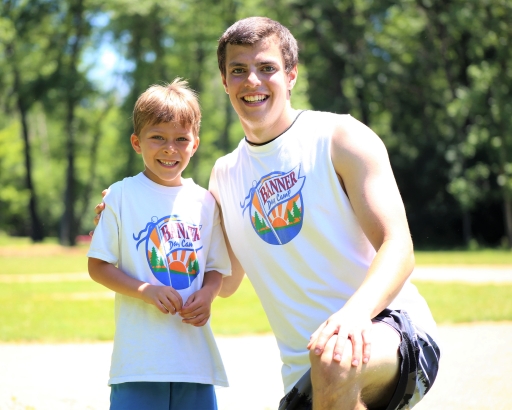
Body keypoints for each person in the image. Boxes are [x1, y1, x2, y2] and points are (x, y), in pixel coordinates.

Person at [94, 17, 440, 410]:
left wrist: (354, 314)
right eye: (238, 70)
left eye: (267, 68)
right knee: (328, 362)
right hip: (305, 377)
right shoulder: (224, 176)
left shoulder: (340, 138)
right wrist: (132, 202)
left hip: (389, 331)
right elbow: (224, 281)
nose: (252, 81)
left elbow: (399, 248)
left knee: (334, 359)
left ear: (291, 75)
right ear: (225, 82)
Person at [87, 78, 230, 410]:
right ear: (137, 143)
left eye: (181, 139)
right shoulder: (122, 195)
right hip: (138, 363)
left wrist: (207, 295)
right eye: (158, 138)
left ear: (195, 144)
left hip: (194, 362)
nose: (170, 148)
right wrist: (143, 290)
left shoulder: (205, 202)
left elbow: (215, 268)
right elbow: (98, 266)